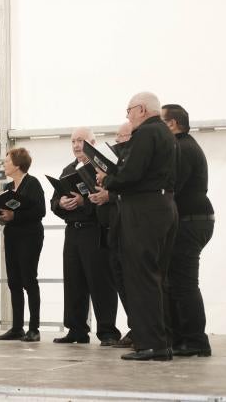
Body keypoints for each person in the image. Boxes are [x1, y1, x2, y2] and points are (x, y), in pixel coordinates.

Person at [100, 92, 177, 361]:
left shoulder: (145, 134)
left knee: (140, 278)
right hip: (165, 206)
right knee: (155, 277)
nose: (128, 116)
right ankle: (161, 341)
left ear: (142, 109)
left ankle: (150, 344)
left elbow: (131, 173)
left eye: (129, 110)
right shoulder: (167, 134)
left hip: (144, 210)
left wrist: (107, 178)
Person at [50, 128, 120, 346]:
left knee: (101, 282)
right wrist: (61, 203)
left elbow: (108, 199)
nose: (76, 145)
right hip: (73, 232)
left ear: (92, 143)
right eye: (73, 141)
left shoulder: (102, 168)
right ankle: (76, 329)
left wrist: (83, 202)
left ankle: (107, 331)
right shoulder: (68, 169)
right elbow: (53, 202)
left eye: (80, 141)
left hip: (95, 231)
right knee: (73, 281)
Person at [162, 103, 214, 357]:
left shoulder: (181, 148)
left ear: (172, 124)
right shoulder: (184, 145)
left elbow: (172, 186)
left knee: (183, 283)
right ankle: (183, 337)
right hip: (193, 219)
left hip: (191, 220)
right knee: (177, 281)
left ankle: (196, 341)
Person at [89, 122, 133, 348]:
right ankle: (135, 328)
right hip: (109, 230)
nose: (117, 141)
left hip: (127, 229)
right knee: (119, 281)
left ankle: (139, 329)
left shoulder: (131, 161)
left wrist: (110, 194)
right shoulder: (118, 160)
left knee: (130, 282)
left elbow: (132, 191)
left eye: (120, 136)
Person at [0, 147, 45, 343]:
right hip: (12, 235)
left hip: (30, 236)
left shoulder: (32, 183)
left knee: (29, 279)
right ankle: (17, 327)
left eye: (7, 161)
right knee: (14, 281)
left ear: (17, 164)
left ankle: (34, 328)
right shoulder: (9, 188)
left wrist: (15, 215)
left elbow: (40, 211)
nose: (4, 164)